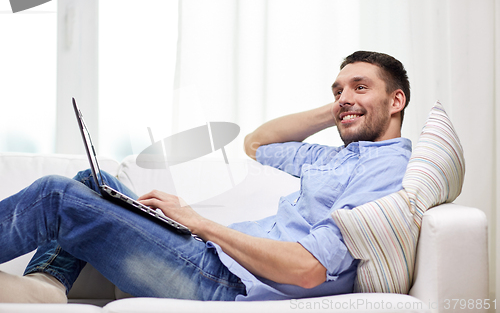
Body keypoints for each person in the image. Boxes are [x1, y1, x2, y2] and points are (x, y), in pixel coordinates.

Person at [0, 51, 412, 303]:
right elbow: (258, 143)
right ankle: (47, 286)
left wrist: (198, 222)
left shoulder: (385, 167)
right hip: (211, 257)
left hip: (224, 282)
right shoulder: (339, 157)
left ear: (397, 100)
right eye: (338, 89)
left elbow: (309, 269)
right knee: (92, 179)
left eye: (361, 87)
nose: (344, 97)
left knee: (55, 196)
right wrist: (344, 106)